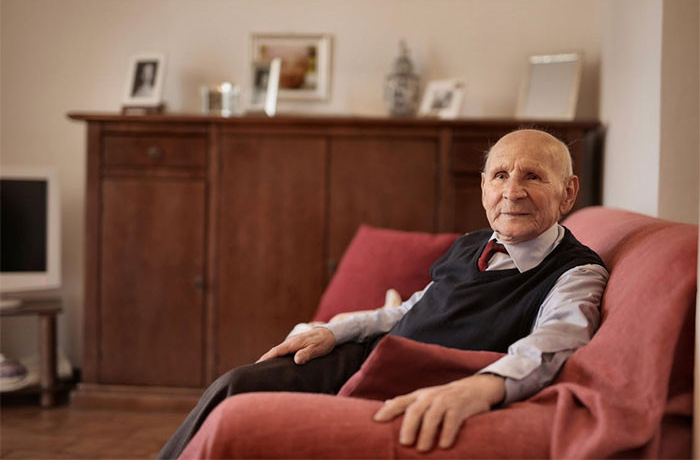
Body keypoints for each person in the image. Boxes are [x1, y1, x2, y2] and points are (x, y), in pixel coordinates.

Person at [158, 129, 608, 459]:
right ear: (484, 186)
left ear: (567, 193)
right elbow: (416, 306)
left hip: (412, 380)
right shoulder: (474, 241)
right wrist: (335, 331)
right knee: (236, 384)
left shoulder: (576, 270)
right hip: (369, 354)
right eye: (501, 175)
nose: (512, 191)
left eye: (533, 177)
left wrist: (482, 387)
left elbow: (556, 341)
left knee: (243, 418)